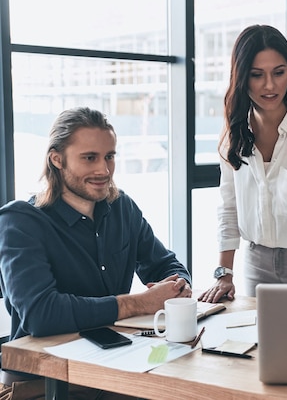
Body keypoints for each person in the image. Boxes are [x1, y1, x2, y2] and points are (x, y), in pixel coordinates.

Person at [0, 107, 192, 399]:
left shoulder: (122, 208)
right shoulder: (21, 222)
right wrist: (139, 303)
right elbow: (41, 314)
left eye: (109, 156)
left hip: (114, 369)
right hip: (43, 382)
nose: (103, 170)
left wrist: (176, 287)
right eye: (89, 158)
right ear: (57, 159)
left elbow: (166, 263)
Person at [199, 25, 287, 303]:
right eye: (256, 75)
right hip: (256, 262)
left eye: (279, 72)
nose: (270, 85)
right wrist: (224, 273)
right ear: (241, 76)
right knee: (258, 344)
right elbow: (229, 206)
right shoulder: (233, 131)